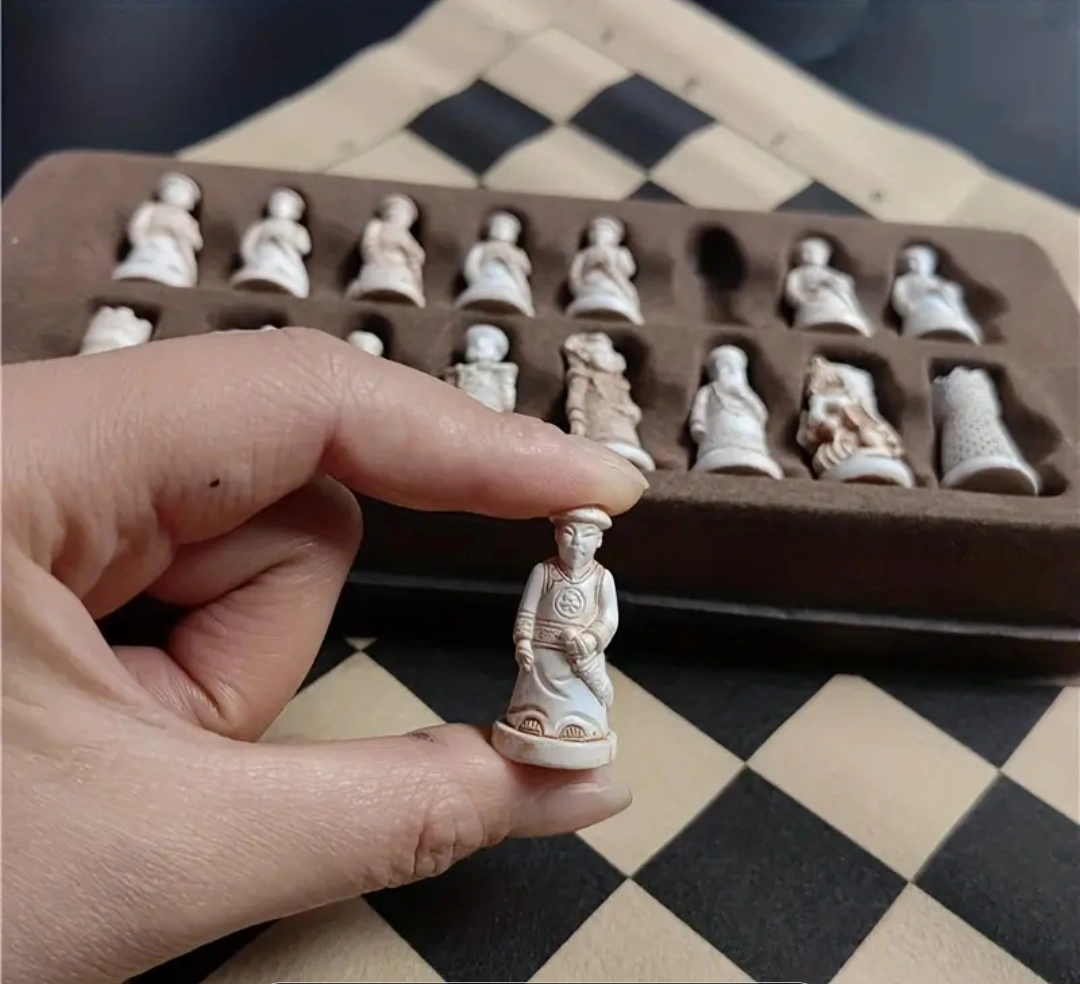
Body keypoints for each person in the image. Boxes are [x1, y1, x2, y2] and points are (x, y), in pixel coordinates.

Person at [3, 325, 647, 984]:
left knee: (574, 700)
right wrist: (527, 639)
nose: (574, 547)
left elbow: (606, 620)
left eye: (583, 540)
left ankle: (568, 726)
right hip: (544, 658)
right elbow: (528, 613)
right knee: (537, 696)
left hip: (574, 658)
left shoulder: (597, 580)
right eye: (569, 536)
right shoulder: (545, 572)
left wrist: (588, 639)